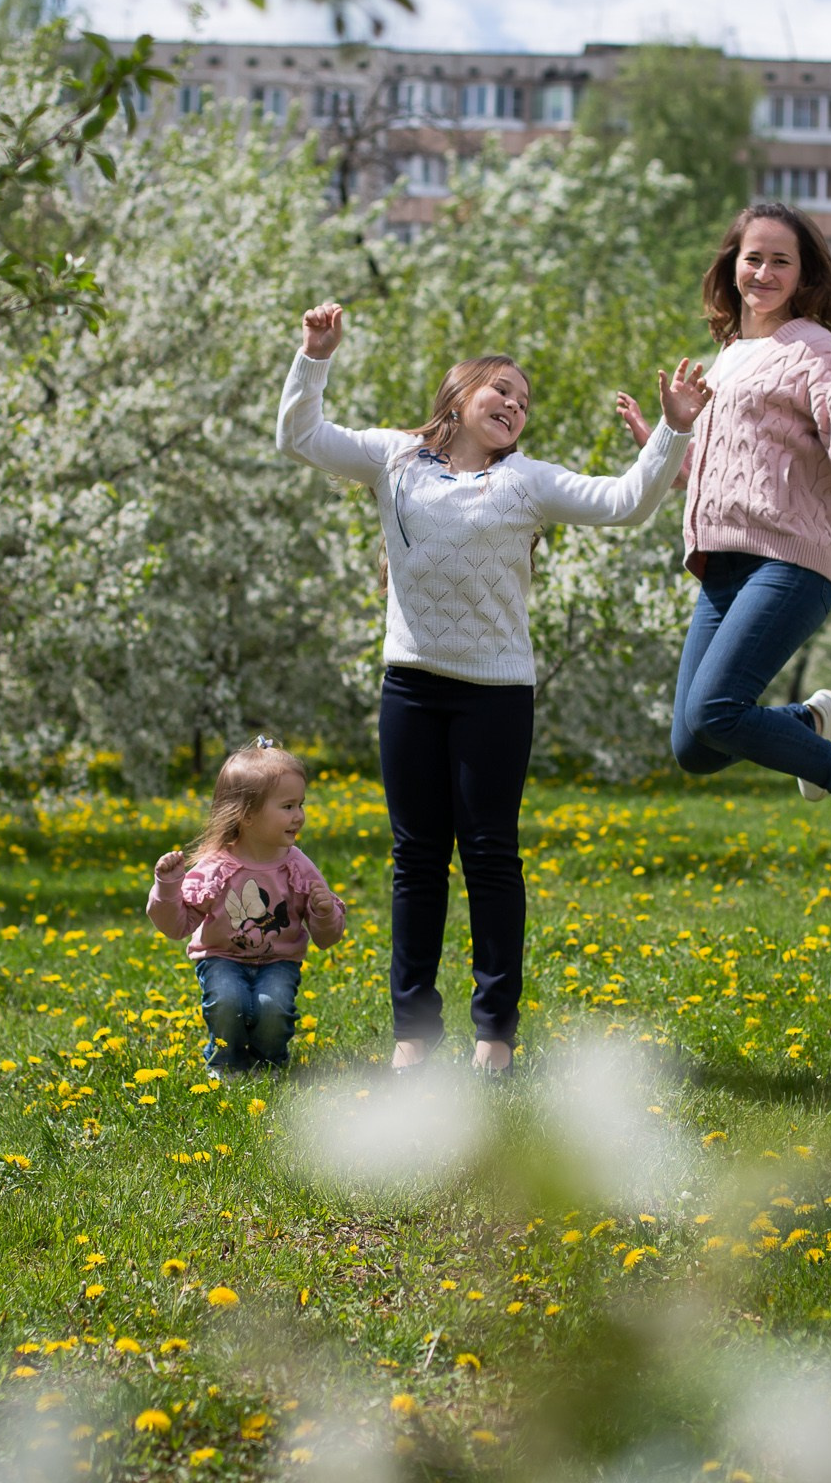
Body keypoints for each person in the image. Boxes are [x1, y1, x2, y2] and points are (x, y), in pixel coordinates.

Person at [276, 300, 694, 1073]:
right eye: (500, 390)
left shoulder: (528, 483)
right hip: (411, 687)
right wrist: (316, 354)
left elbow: (630, 504)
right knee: (416, 859)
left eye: (524, 401)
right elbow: (298, 435)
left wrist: (671, 428)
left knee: (491, 857)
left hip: (495, 696)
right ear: (459, 397)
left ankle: (493, 1037)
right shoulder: (394, 459)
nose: (513, 404)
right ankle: (413, 1033)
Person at [619, 202, 831, 845]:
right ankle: (803, 725)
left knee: (716, 710)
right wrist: (666, 445)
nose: (764, 271)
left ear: (803, 272)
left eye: (781, 260)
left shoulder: (815, 348)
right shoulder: (728, 355)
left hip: (789, 563)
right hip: (722, 567)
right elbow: (723, 472)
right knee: (694, 745)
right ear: (732, 267)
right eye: (753, 257)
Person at [147, 740, 347, 1073]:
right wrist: (168, 886)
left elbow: (327, 938)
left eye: (301, 804)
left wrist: (324, 913)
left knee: (273, 1007)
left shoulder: (297, 868)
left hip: (278, 960)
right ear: (248, 815)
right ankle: (225, 1064)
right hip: (221, 957)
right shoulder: (217, 867)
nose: (299, 816)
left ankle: (269, 1063)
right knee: (227, 1001)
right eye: (287, 806)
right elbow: (176, 926)